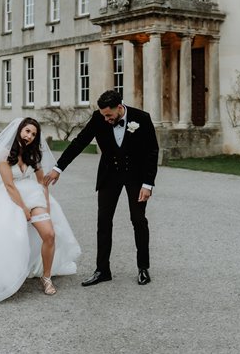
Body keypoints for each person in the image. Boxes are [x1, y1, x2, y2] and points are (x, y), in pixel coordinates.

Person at [0, 117, 81, 302]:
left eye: (34, 134)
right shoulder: (3, 154)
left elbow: (42, 182)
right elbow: (9, 185)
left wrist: (46, 203)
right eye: (27, 131)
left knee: (49, 234)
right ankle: (7, 276)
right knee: (12, 237)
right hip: (10, 198)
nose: (30, 136)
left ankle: (46, 277)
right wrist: (23, 209)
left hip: (33, 197)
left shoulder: (34, 154)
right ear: (19, 131)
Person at [44, 90, 158, 287]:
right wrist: (58, 167)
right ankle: (102, 270)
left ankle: (143, 268)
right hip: (109, 176)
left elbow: (152, 152)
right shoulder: (98, 118)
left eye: (109, 115)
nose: (106, 119)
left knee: (138, 220)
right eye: (104, 115)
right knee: (103, 221)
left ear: (120, 108)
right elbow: (79, 142)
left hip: (136, 178)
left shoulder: (142, 118)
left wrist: (148, 184)